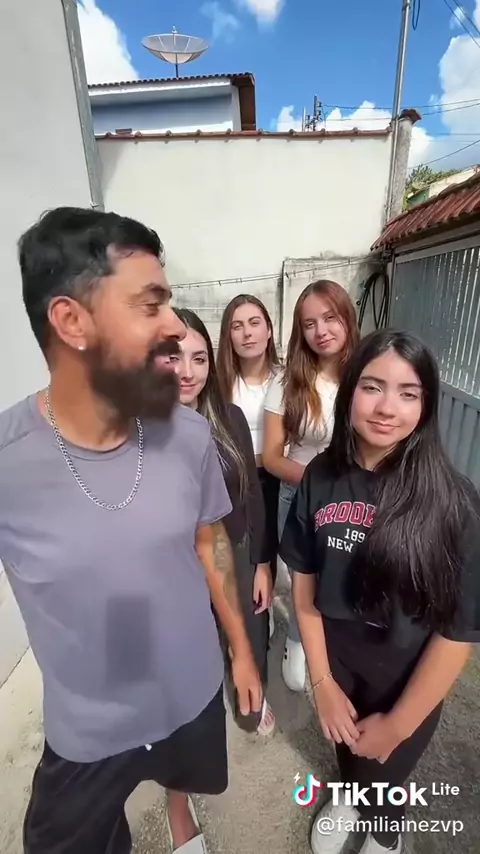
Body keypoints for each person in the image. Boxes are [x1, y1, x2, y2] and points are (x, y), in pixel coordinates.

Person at [0, 207, 262, 854]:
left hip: (190, 694)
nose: (174, 327)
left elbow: (210, 543)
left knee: (186, 776)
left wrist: (241, 648)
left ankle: (181, 817)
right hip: (87, 731)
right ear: (71, 321)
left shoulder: (190, 435)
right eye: (150, 305)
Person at [280, 329, 480, 854]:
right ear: (349, 392)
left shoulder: (454, 502)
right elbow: (304, 584)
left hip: (404, 678)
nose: (387, 408)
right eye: (372, 387)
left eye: (408, 393)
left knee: (387, 774)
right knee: (347, 753)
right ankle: (350, 798)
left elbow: (457, 632)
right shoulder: (321, 476)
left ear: (426, 405)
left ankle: (386, 835)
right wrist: (322, 681)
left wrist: (398, 724)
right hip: (338, 665)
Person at [172, 307, 275, 736]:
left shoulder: (229, 417)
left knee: (250, 639)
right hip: (179, 567)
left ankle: (251, 698)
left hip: (235, 549)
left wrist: (262, 563)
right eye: (173, 357)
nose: (187, 372)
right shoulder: (142, 433)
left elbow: (251, 494)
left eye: (199, 359)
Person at [263, 279, 359, 692]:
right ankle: (298, 641)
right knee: (303, 579)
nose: (321, 330)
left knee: (343, 578)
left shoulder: (367, 374)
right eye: (309, 323)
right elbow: (272, 457)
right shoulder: (288, 381)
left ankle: (330, 643)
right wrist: (322, 481)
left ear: (347, 318)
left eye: (330, 318)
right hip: (300, 495)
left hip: (357, 498)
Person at [216, 294, 281, 637]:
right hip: (238, 487)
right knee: (245, 572)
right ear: (228, 336)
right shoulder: (219, 386)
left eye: (255, 323)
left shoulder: (287, 380)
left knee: (283, 574)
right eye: (237, 326)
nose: (247, 333)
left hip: (281, 483)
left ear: (269, 329)